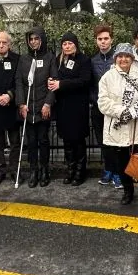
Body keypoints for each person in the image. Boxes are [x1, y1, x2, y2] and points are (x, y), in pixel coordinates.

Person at [97, 43, 138, 206]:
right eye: (120, 56)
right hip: (118, 125)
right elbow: (103, 102)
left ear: (132, 58)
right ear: (116, 59)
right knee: (122, 162)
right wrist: (123, 111)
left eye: (127, 56)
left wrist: (134, 112)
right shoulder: (108, 77)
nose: (123, 59)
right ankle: (128, 191)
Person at [48, 31, 93, 185]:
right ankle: (70, 169)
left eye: (70, 43)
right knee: (67, 140)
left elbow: (84, 81)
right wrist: (52, 81)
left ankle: (80, 172)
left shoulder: (84, 60)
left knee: (78, 140)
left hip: (78, 106)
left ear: (76, 45)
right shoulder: (58, 60)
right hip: (63, 106)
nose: (67, 46)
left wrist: (61, 84)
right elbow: (54, 76)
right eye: (64, 44)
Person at [15, 27, 56, 187]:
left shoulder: (50, 58)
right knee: (31, 141)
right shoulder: (24, 59)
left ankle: (45, 169)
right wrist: (21, 104)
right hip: (28, 107)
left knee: (43, 140)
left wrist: (48, 103)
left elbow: (53, 82)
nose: (33, 42)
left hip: (43, 105)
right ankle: (34, 170)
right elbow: (19, 81)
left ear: (42, 40)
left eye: (36, 39)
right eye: (31, 39)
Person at [0, 31, 21, 186]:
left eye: (4, 42)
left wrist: (9, 95)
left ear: (9, 44)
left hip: (11, 106)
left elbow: (20, 82)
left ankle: (14, 169)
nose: (1, 45)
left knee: (15, 141)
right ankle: (0, 169)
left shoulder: (17, 60)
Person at [91, 25, 120, 188]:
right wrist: (95, 101)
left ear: (111, 40)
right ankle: (108, 169)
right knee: (103, 142)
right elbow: (91, 85)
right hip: (98, 108)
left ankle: (117, 173)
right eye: (100, 39)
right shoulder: (93, 60)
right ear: (96, 41)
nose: (103, 42)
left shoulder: (118, 59)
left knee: (115, 142)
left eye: (106, 38)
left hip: (115, 109)